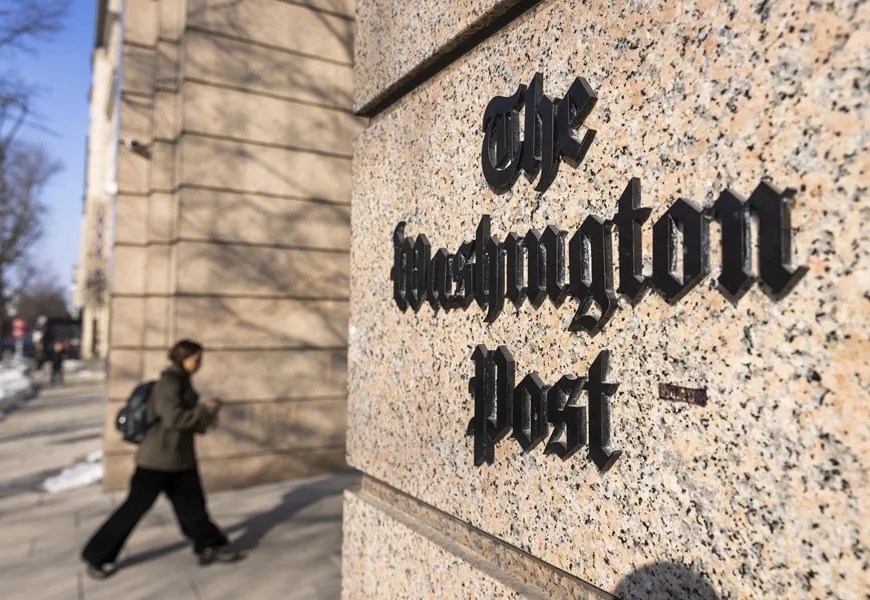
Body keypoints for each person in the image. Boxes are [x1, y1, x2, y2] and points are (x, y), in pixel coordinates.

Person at [81, 339, 240, 579]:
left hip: (179, 459)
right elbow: (174, 418)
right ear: (183, 358)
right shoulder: (169, 383)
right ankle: (98, 556)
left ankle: (210, 544)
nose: (199, 364)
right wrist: (204, 410)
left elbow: (187, 421)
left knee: (193, 508)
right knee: (134, 509)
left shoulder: (182, 381)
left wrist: (205, 416)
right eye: (196, 359)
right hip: (156, 461)